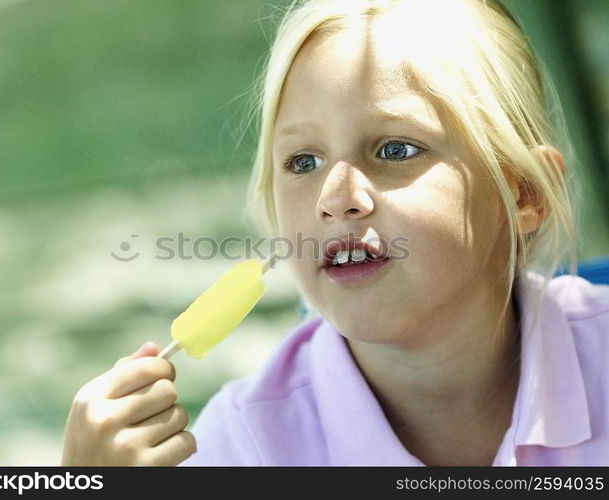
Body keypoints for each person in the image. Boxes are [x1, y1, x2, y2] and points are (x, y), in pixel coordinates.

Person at [60, 0, 609, 466]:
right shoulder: (247, 446)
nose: (335, 196)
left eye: (394, 149)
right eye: (303, 162)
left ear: (522, 196)